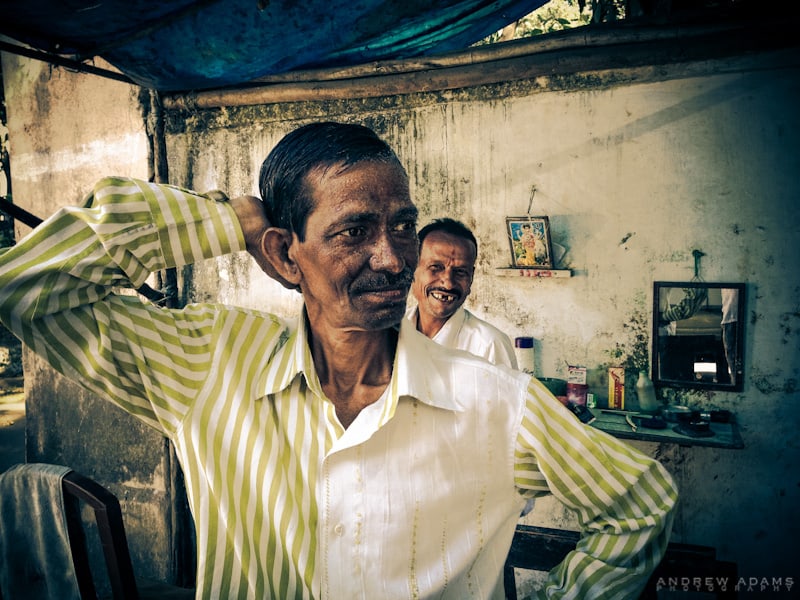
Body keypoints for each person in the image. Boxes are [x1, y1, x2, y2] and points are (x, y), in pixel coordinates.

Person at [0, 122, 677, 599]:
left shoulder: (495, 400)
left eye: (403, 226)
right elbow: (27, 290)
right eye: (354, 231)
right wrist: (226, 219)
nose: (393, 257)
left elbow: (641, 503)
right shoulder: (210, 365)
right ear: (283, 254)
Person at [406, 218, 517, 369]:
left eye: (460, 272)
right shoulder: (389, 335)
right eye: (436, 267)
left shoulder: (489, 346)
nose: (448, 283)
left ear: (471, 278)